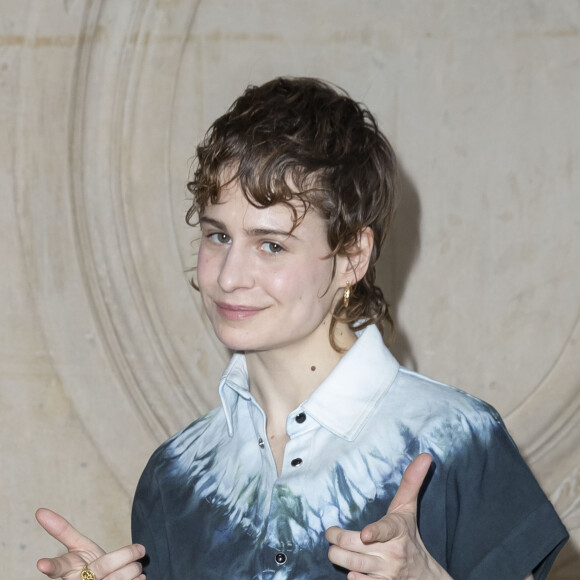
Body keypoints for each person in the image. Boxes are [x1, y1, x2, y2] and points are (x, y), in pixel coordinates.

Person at [37, 77, 568, 580]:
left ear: (352, 257)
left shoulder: (457, 438)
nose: (229, 276)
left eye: (271, 245)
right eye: (218, 236)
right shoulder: (175, 475)